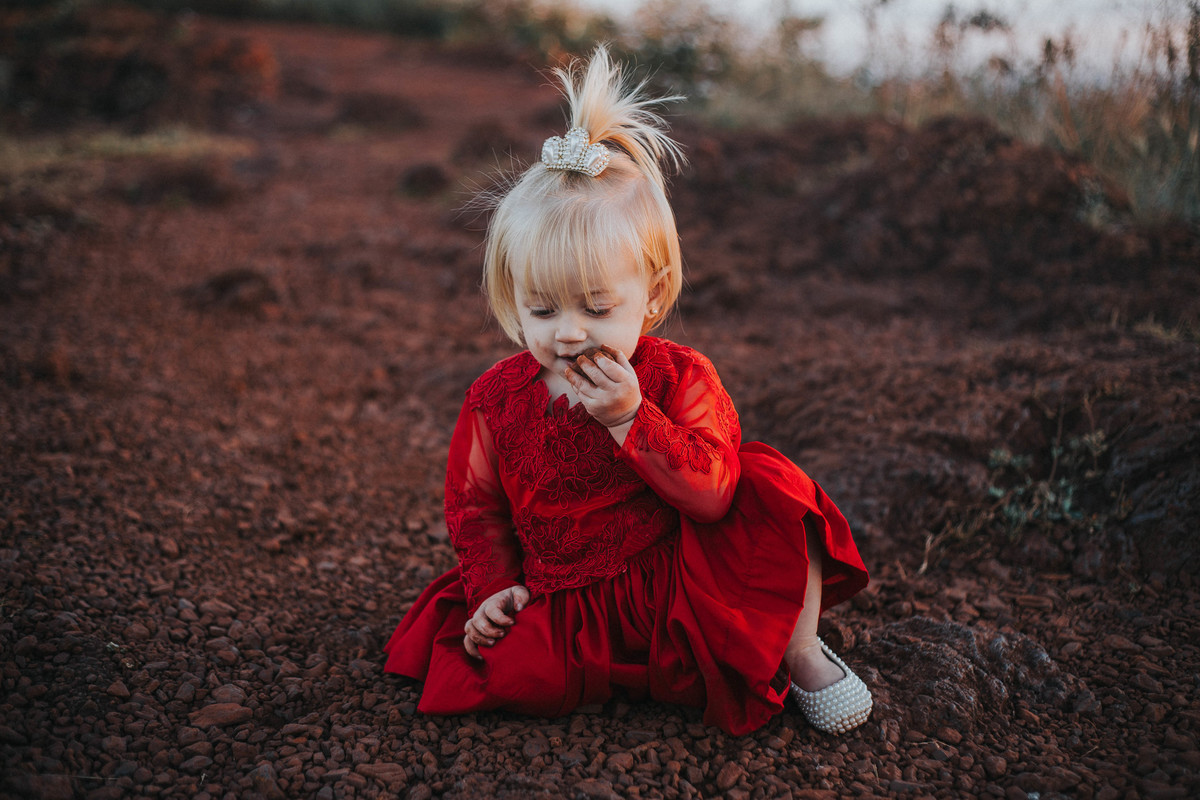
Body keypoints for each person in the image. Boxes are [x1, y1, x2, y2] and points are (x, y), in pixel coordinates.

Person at [384, 45, 872, 736]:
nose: (569, 334)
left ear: (652, 296)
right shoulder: (496, 396)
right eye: (543, 311)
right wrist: (494, 590)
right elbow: (475, 506)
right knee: (507, 674)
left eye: (595, 306)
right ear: (511, 299)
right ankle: (568, 646)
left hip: (676, 585)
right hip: (567, 599)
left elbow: (713, 495)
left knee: (774, 490)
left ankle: (796, 649)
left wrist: (630, 419)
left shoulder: (678, 376)